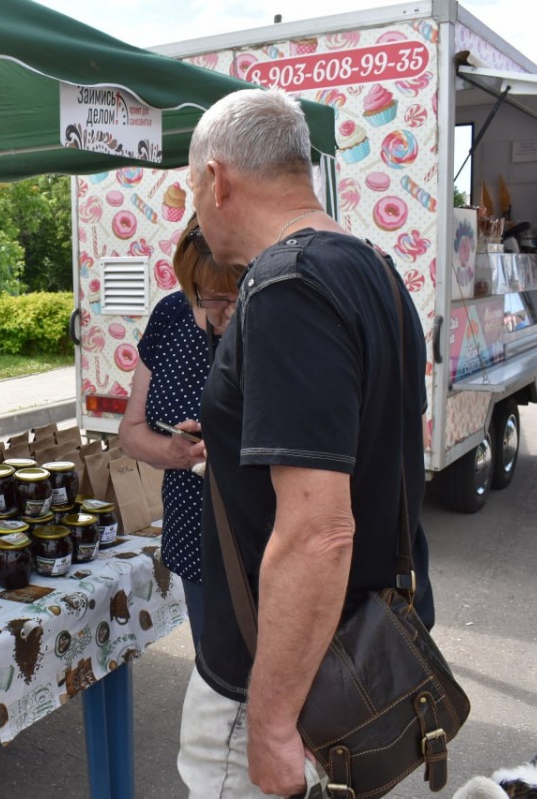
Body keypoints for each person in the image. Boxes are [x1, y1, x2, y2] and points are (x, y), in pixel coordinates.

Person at [175, 88, 434, 798]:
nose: (195, 210)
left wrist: (272, 725)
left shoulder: (286, 285)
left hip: (297, 681)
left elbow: (319, 531)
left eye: (192, 189)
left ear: (217, 179)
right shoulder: (374, 269)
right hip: (366, 653)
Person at [117, 213, 241, 652]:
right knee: (216, 670)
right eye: (213, 298)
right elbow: (130, 432)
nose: (226, 312)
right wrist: (176, 453)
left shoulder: (270, 318)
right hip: (192, 530)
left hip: (257, 539)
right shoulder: (170, 316)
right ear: (191, 284)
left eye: (236, 295)